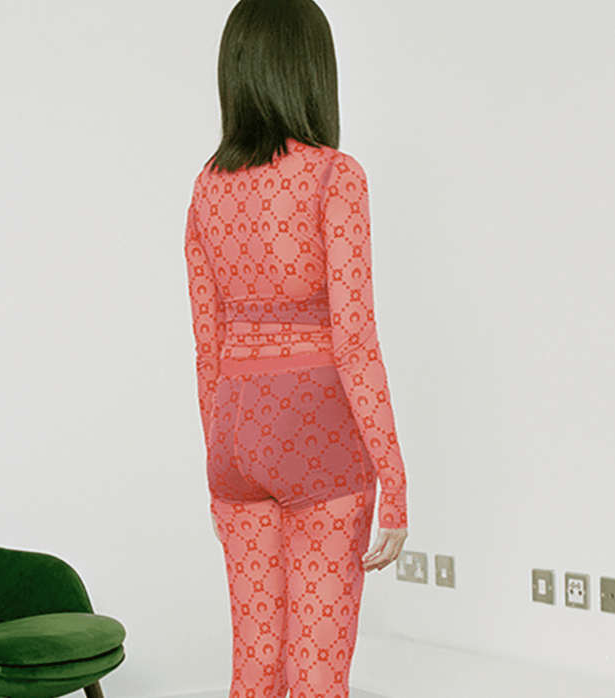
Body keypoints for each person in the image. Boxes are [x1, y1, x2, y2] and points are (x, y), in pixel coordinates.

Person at [184, 1, 410, 697]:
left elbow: (206, 348)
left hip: (237, 442)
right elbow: (355, 337)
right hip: (320, 441)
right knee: (315, 676)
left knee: (255, 669)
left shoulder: (206, 188)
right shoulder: (334, 177)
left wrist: (218, 461)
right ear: (311, 71)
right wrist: (393, 481)